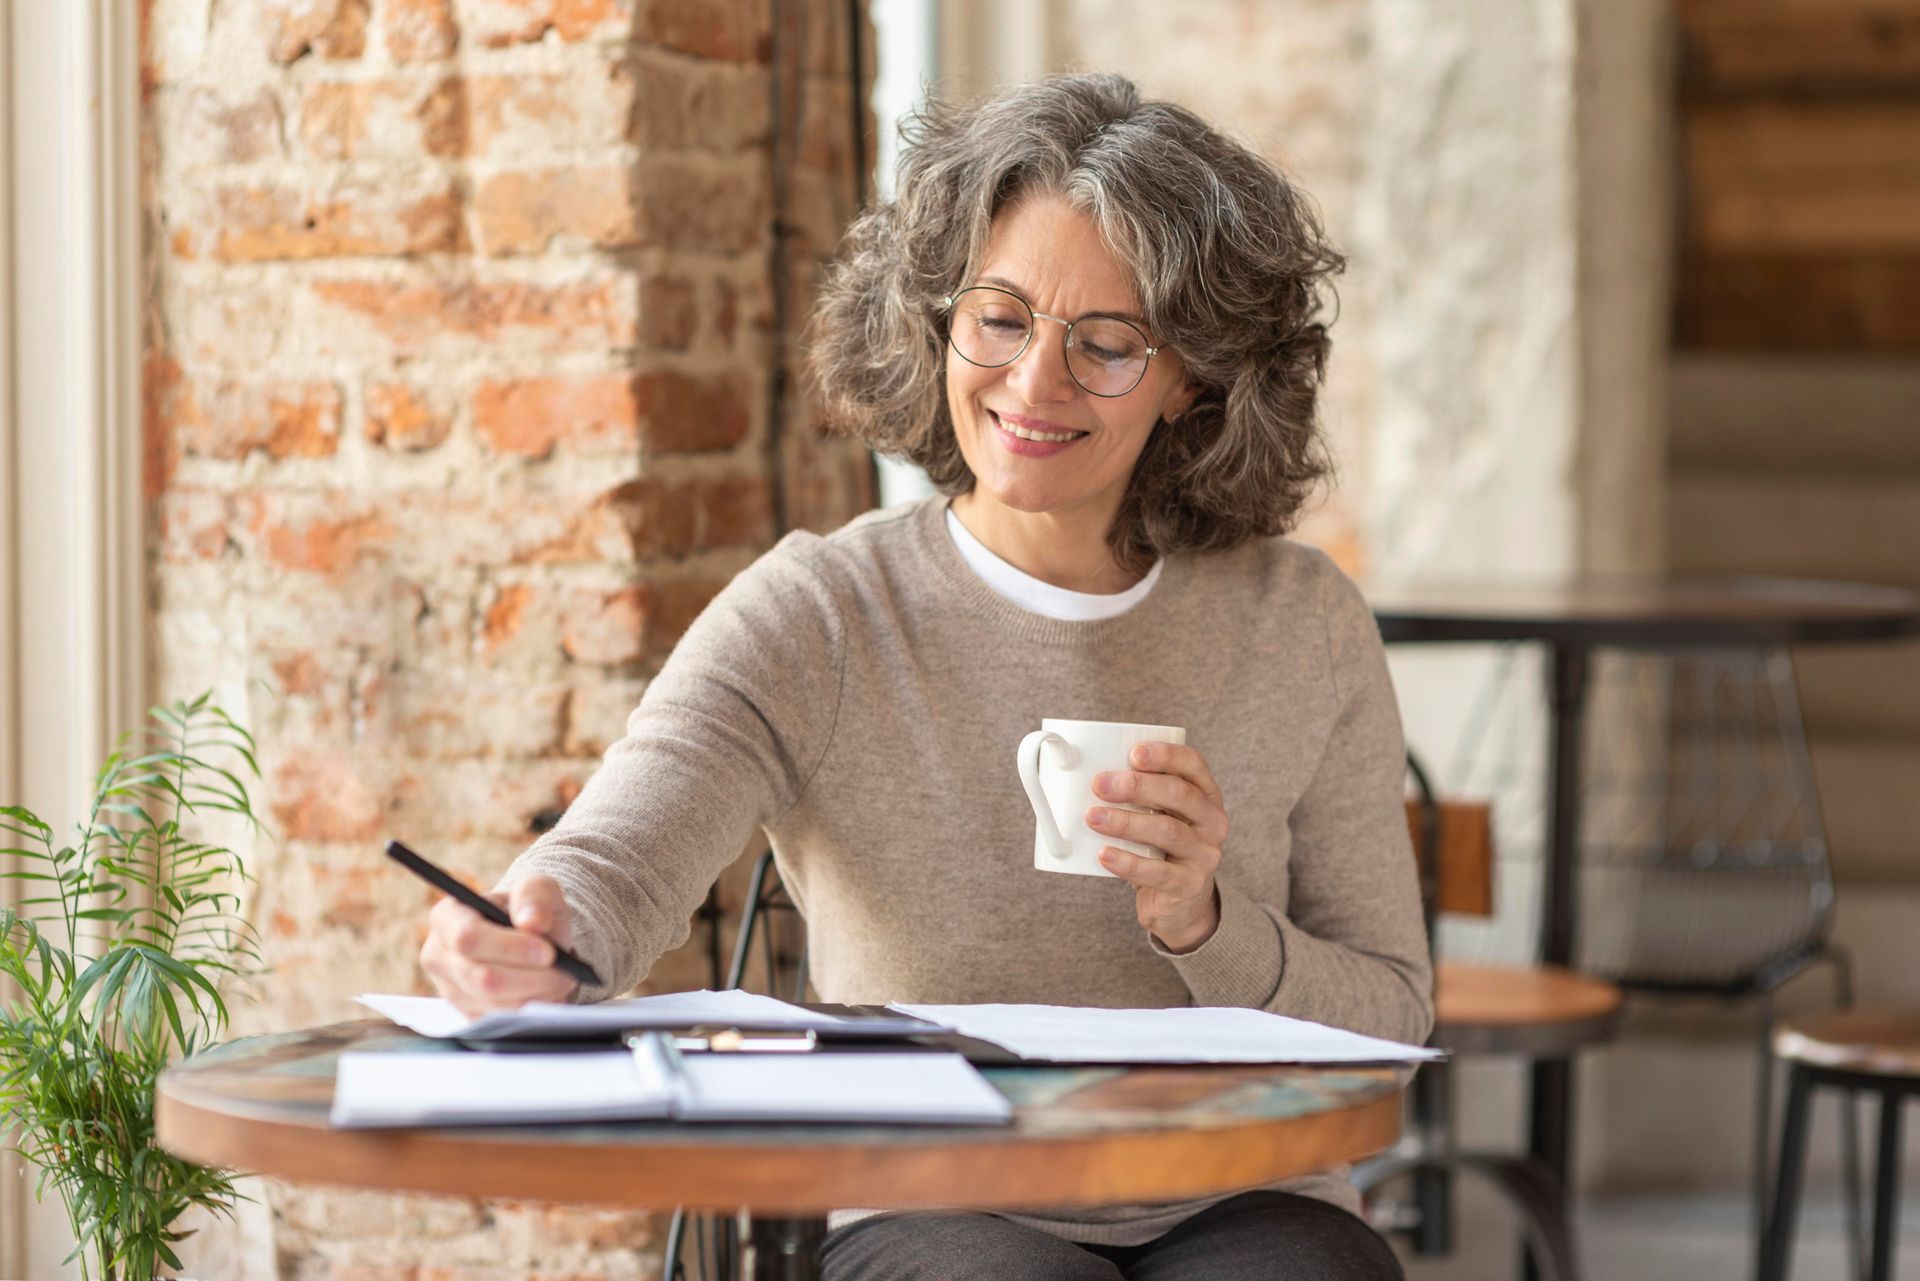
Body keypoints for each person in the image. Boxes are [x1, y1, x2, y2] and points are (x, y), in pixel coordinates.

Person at [420, 72, 1430, 1280]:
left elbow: (1389, 1019)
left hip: (1242, 1197)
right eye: (1000, 319)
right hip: (933, 1199)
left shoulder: (1303, 624)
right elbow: (614, 860)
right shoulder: (822, 614)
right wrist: (532, 935)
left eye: (1106, 345)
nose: (1035, 384)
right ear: (937, 319)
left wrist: (1208, 924)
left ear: (1195, 381)